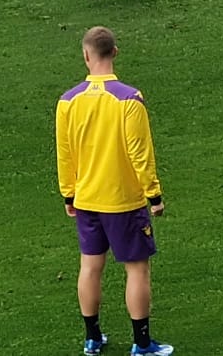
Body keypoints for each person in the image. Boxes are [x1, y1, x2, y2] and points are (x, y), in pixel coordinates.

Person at [56, 26, 173, 356]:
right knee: (137, 269)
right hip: (123, 201)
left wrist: (68, 194)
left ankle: (92, 338)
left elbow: (65, 153)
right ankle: (142, 343)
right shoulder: (129, 99)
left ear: (86, 55)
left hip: (86, 199)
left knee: (90, 267)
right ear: (115, 53)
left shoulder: (67, 101)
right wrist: (154, 195)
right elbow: (140, 152)